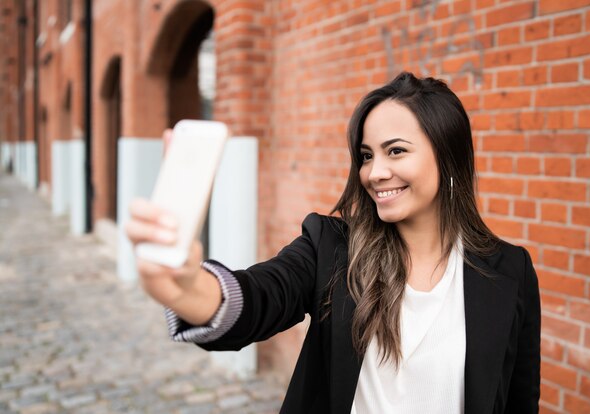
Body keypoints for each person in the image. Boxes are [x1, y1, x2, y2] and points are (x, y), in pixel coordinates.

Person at [125, 72, 541, 414]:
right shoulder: (332, 247)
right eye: (365, 155)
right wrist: (188, 287)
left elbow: (519, 401)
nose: (375, 172)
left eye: (395, 151)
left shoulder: (510, 271)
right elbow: (260, 296)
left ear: (448, 157)